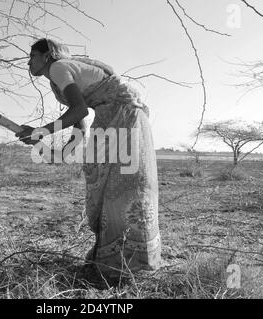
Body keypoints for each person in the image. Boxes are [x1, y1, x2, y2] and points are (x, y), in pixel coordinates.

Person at [16, 38, 161, 277]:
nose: (28, 62)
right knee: (104, 181)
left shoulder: (58, 68)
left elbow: (79, 111)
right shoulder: (58, 77)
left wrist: (40, 132)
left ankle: (127, 266)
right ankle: (118, 261)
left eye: (32, 56)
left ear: (47, 55)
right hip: (115, 117)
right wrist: (63, 151)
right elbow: (81, 122)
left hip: (123, 115)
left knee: (122, 186)